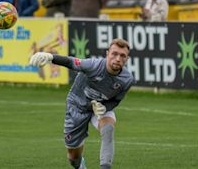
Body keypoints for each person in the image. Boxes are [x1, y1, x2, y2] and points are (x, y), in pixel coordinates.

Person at [30, 38, 134, 169]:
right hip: (77, 107)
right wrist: (51, 57)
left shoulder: (127, 80)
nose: (118, 58)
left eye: (122, 55)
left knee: (108, 129)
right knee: (73, 157)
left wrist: (104, 108)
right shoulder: (93, 65)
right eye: (114, 54)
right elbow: (71, 61)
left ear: (127, 59)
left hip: (99, 109)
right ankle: (79, 165)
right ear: (107, 54)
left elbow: (116, 100)